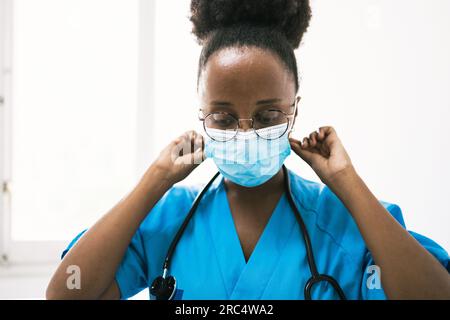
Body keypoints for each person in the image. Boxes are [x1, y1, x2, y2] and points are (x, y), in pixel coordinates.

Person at [46, 0, 450, 300]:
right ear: (201, 116)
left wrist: (348, 183)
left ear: (294, 111)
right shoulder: (169, 218)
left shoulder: (342, 223)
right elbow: (67, 291)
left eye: (267, 114)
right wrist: (152, 183)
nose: (245, 132)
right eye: (222, 117)